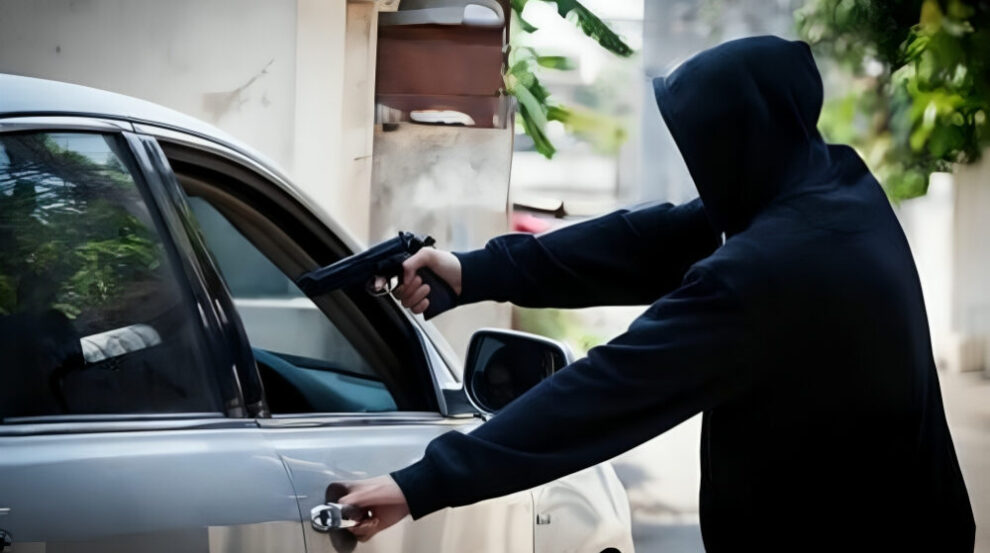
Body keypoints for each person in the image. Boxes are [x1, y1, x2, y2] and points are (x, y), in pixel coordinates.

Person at [339, 36, 976, 551]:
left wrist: (422, 484)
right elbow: (648, 242)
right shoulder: (835, 187)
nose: (700, 164)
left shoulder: (769, 273)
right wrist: (473, 271)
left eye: (707, 144)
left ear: (742, 140)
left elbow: (609, 390)